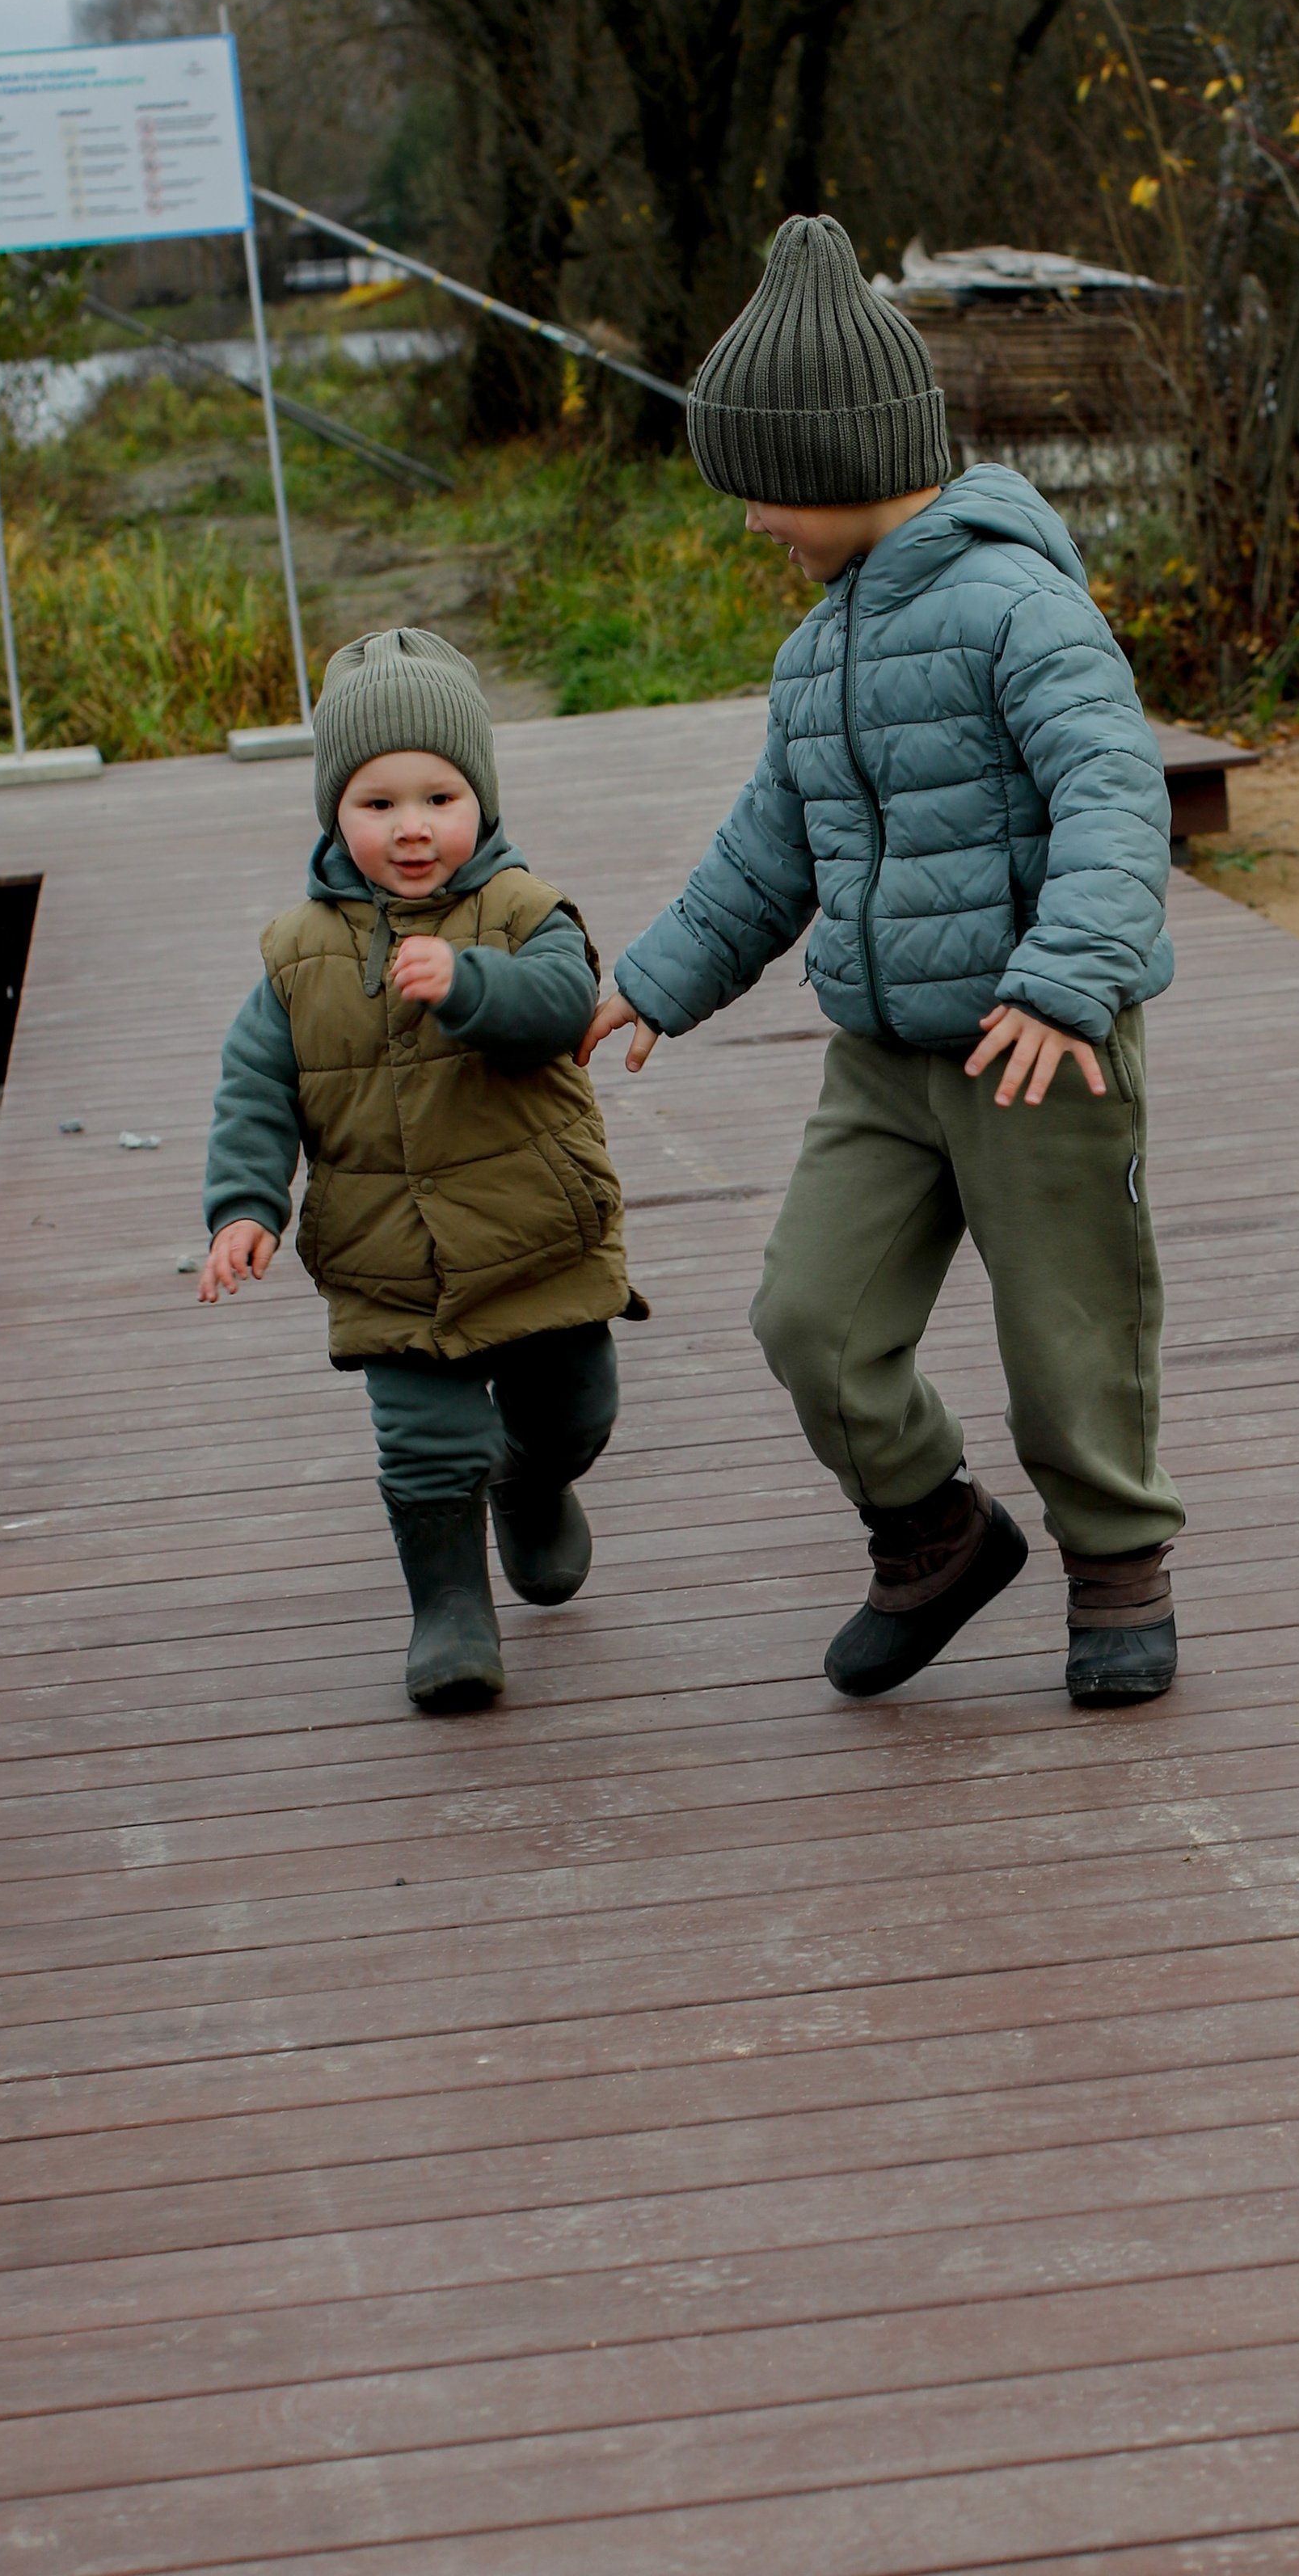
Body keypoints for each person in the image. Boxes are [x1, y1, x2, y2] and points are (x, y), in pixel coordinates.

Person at [583, 214, 1183, 1708]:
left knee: (1069, 1333)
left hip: (1037, 1040)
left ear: (833, 461)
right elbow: (770, 843)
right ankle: (932, 1535)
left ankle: (1118, 1568)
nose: (751, 526)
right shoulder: (819, 651)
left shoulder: (1017, 605)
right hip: (882, 1056)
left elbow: (1117, 792)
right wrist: (660, 975)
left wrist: (1065, 979)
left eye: (759, 494)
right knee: (811, 1317)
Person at [199, 626, 639, 1714]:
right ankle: (450, 1613)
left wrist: (469, 982)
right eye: (376, 802)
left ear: (480, 799)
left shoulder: (525, 910)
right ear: (333, 813)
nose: (409, 828)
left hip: (537, 1232)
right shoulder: (298, 953)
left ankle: (532, 1486)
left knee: (573, 1413)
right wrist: (247, 1206)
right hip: (389, 1256)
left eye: (438, 797)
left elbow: (557, 1010)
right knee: (428, 1445)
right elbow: (257, 1087)